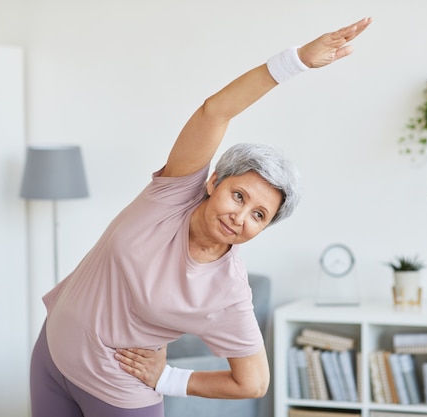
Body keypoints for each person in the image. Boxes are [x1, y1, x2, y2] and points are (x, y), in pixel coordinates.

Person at [30, 16, 372, 417]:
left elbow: (254, 381)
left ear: (263, 228)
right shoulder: (174, 193)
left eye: (258, 214)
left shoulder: (227, 291)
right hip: (52, 358)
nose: (240, 216)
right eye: (238, 195)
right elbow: (215, 112)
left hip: (117, 391)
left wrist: (168, 379)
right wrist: (296, 61)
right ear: (213, 183)